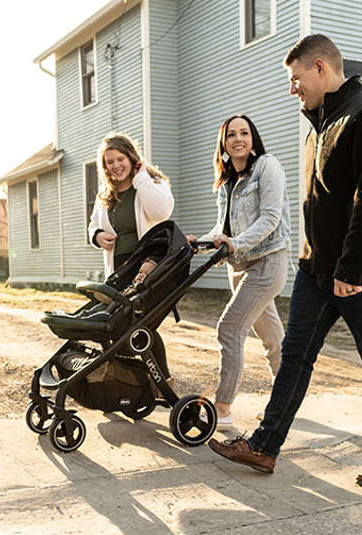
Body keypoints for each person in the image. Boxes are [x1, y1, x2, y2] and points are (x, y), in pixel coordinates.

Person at [208, 34, 362, 488]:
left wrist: (350, 269)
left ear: (320, 68)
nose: (292, 88)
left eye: (295, 77)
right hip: (314, 269)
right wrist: (318, 262)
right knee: (295, 356)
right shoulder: (319, 124)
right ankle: (264, 446)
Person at [187, 114, 290, 429]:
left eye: (244, 133)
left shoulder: (266, 167)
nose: (238, 139)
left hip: (268, 261)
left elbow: (271, 217)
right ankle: (287, 398)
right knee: (273, 338)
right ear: (224, 143)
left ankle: (222, 409)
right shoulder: (227, 181)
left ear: (253, 138)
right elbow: (223, 228)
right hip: (240, 266)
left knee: (230, 329)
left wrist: (236, 244)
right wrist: (198, 242)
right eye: (231, 134)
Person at [88, 133, 174, 277]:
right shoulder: (105, 193)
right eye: (110, 162)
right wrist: (97, 236)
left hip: (147, 264)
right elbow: (93, 225)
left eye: (120, 159)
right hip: (117, 267)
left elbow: (162, 213)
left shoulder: (153, 182)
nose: (116, 165)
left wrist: (140, 178)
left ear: (131, 157)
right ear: (105, 166)